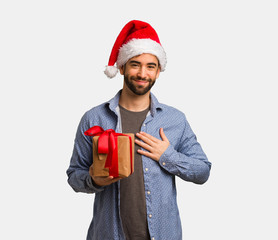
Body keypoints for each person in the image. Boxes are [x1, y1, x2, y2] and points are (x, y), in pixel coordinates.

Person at [66, 20, 211, 240]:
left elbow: (203, 172)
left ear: (158, 71)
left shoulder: (175, 120)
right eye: (135, 64)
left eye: (150, 66)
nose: (142, 73)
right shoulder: (94, 118)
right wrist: (94, 179)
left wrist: (168, 156)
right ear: (122, 67)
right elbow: (74, 175)